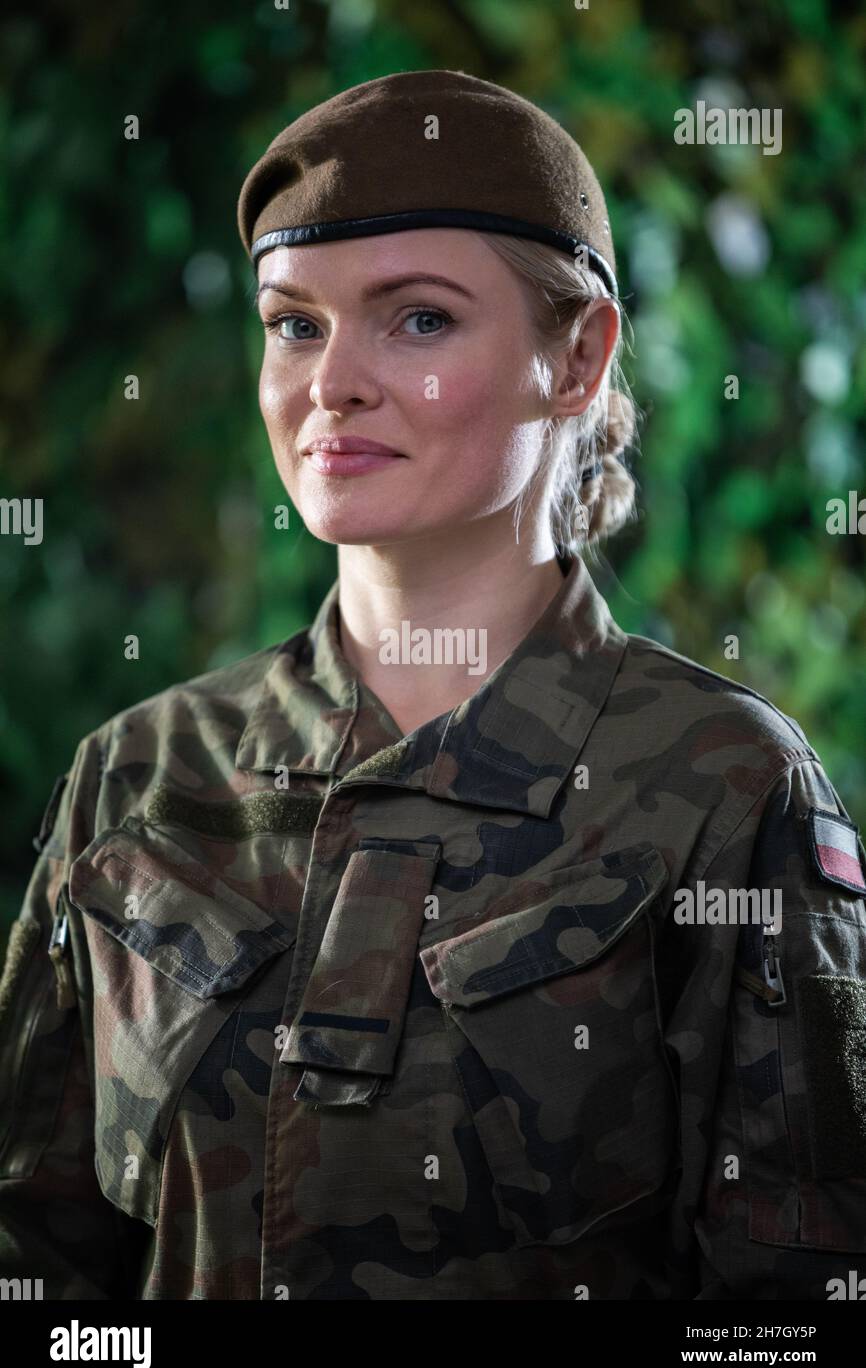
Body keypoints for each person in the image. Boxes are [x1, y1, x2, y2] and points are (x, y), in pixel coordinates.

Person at [1, 69, 864, 1301]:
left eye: (416, 320)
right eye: (295, 322)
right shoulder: (140, 772)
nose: (329, 383)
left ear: (575, 357)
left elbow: (795, 1314)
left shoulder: (722, 789)